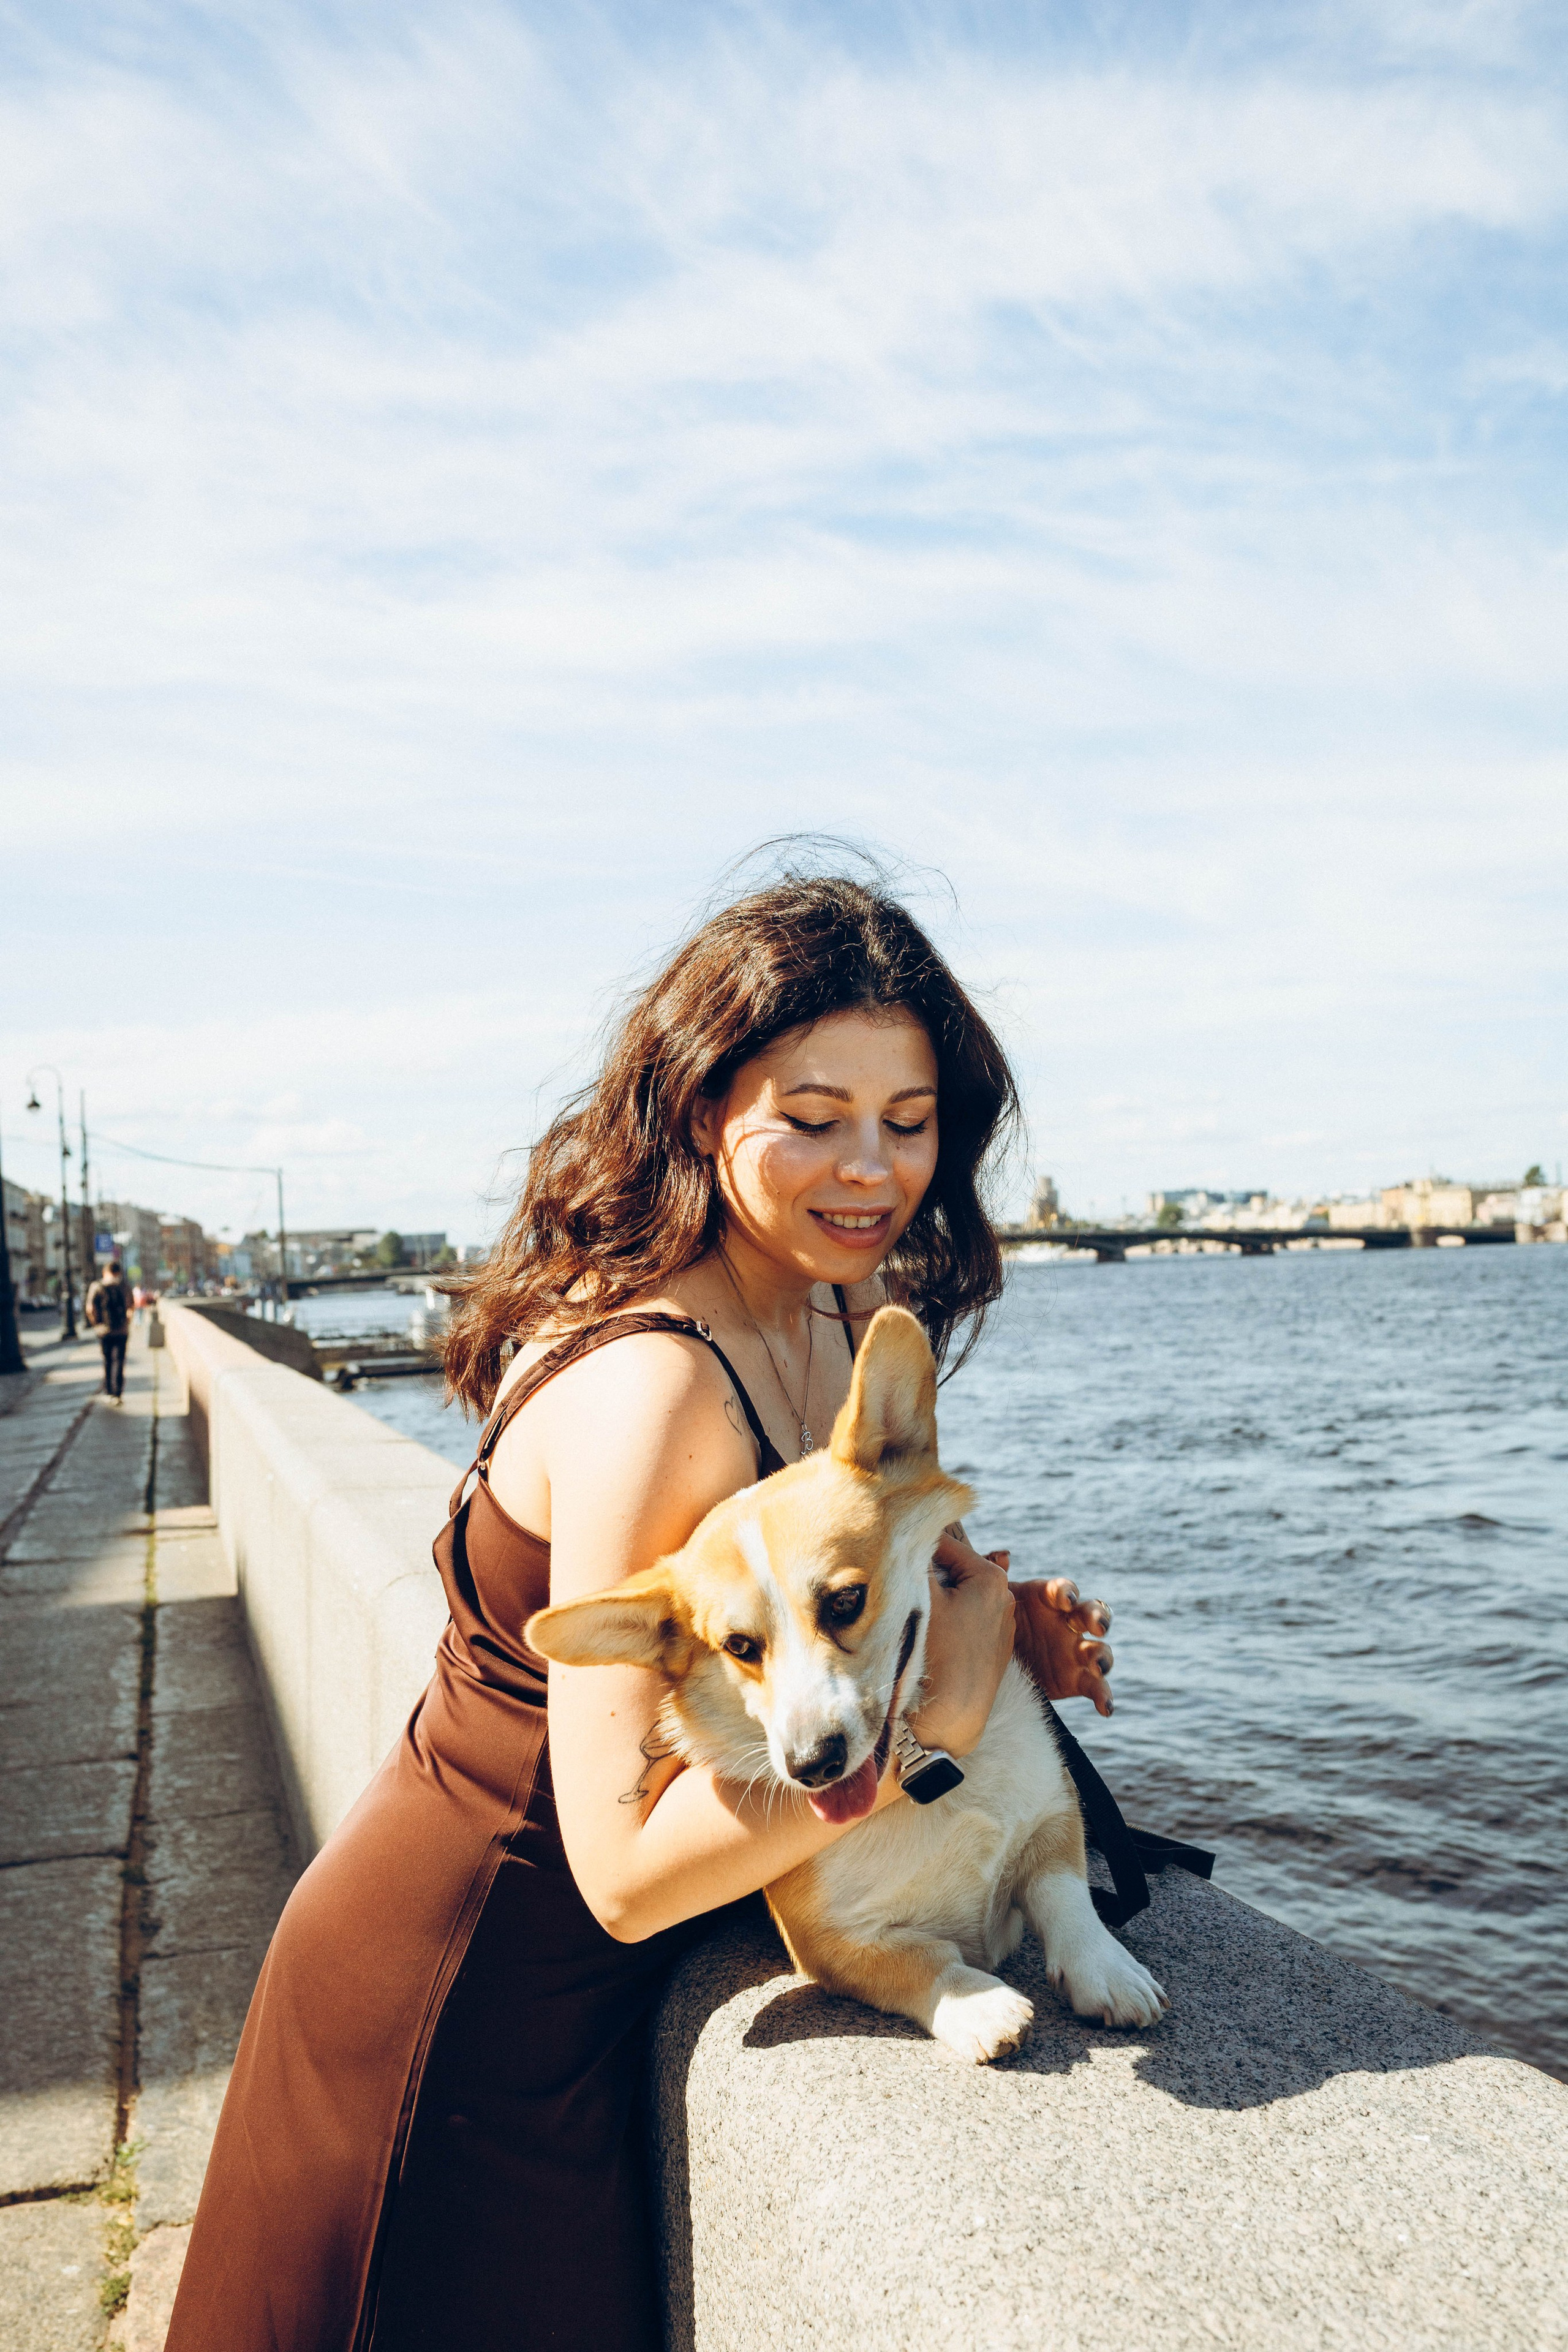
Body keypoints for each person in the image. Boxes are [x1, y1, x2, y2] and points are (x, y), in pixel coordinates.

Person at [165, 869, 1115, 2352]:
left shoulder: (811, 1303)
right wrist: (933, 1712)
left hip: (577, 2004)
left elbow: (788, 1624)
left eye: (907, 1119)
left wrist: (968, 1633)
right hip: (462, 1998)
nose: (869, 1164)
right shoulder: (660, 1377)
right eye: (810, 1117)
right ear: (697, 1105)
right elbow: (614, 1865)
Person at [85, 1259, 130, 1401]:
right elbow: (131, 1308)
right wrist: (127, 1323)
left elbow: (90, 1309)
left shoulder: (97, 1286)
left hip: (104, 1331)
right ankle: (118, 1392)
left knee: (108, 1360)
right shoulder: (124, 1286)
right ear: (118, 1272)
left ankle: (109, 1391)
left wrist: (96, 1324)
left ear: (105, 1272)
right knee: (119, 1360)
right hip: (122, 1330)